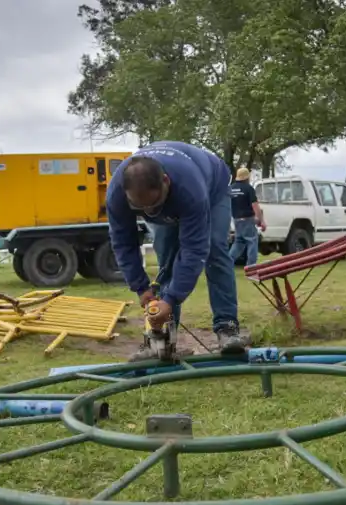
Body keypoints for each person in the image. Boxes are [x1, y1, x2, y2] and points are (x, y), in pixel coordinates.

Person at [105, 141, 249, 361]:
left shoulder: (190, 189)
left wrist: (171, 299)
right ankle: (162, 340)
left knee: (215, 250)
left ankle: (227, 329)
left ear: (165, 181)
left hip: (212, 186)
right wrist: (141, 287)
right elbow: (123, 242)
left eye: (154, 204)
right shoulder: (116, 193)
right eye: (140, 208)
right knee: (166, 258)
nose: (150, 212)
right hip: (178, 186)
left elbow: (194, 249)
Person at [228, 167, 265, 267]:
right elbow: (255, 205)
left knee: (238, 243)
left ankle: (227, 263)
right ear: (247, 177)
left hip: (236, 220)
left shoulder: (231, 188)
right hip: (248, 219)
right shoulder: (248, 188)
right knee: (252, 241)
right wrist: (261, 221)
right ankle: (251, 267)